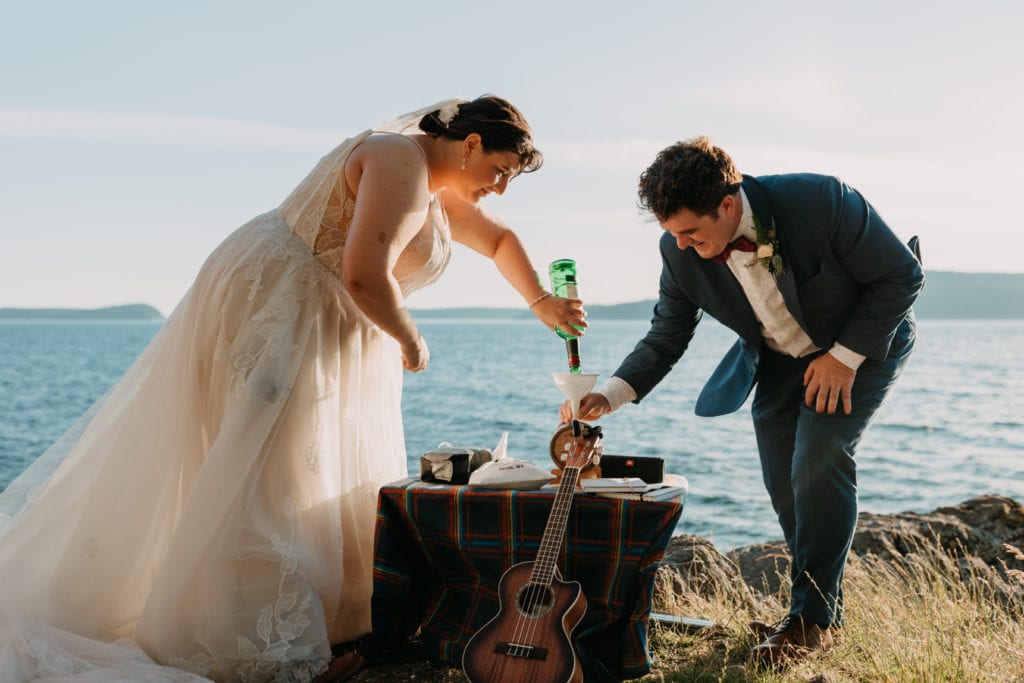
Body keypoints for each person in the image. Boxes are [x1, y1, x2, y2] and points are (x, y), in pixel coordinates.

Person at [0, 95, 586, 682]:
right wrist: (410, 339)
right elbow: (363, 272)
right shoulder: (398, 160)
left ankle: (312, 627)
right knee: (268, 471)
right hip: (283, 306)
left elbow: (501, 241)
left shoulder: (434, 188)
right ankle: (255, 648)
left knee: (303, 473)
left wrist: (541, 301)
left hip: (331, 319)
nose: (499, 188)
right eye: (499, 172)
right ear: (471, 144)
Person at [563, 136, 923, 668]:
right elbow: (666, 335)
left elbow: (902, 274)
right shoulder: (677, 250)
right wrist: (608, 395)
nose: (681, 245)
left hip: (861, 345)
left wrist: (844, 358)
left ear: (728, 205)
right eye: (672, 233)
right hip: (779, 360)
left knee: (817, 459)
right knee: (784, 482)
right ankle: (818, 612)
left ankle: (810, 623)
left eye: (691, 232)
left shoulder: (821, 200)